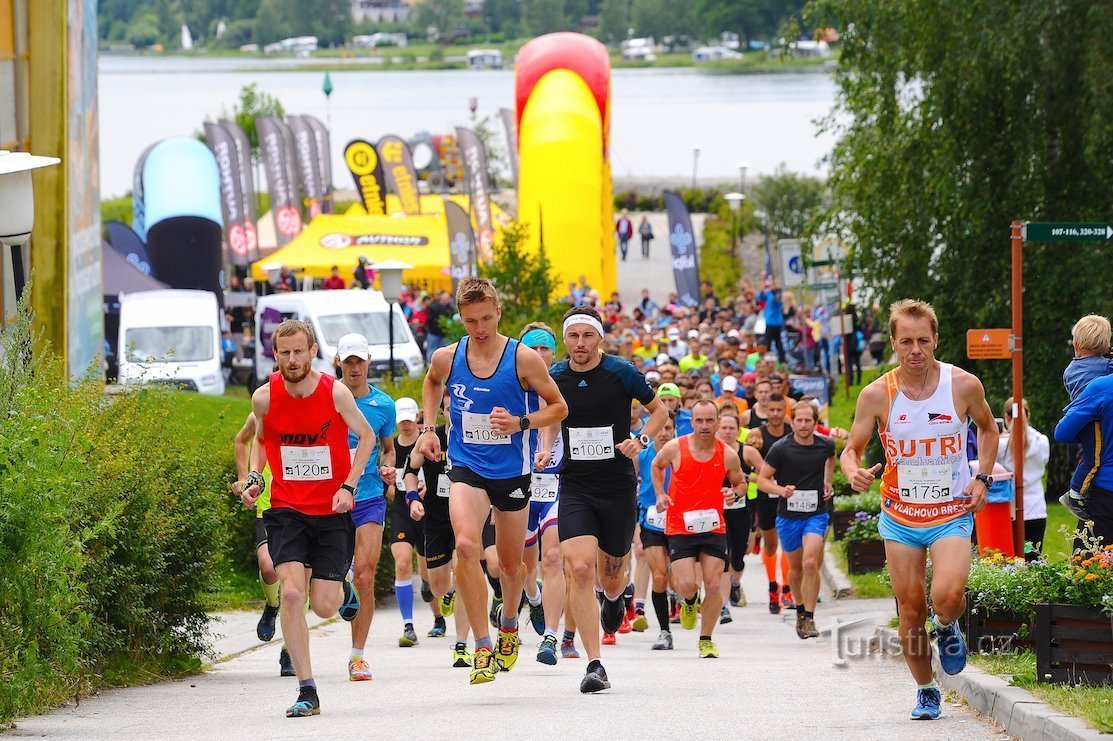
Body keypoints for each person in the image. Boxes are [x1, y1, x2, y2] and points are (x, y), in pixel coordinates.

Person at [841, 299, 998, 721]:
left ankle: (946, 627)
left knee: (946, 596)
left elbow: (988, 427)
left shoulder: (962, 385)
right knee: (909, 610)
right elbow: (850, 451)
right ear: (893, 342)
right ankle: (927, 690)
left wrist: (981, 477)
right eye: (906, 341)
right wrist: (854, 472)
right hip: (901, 518)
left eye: (923, 340)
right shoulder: (877, 394)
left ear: (935, 341)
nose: (915, 349)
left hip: (949, 511)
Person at [418, 277, 568, 685]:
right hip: (466, 465)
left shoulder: (523, 359)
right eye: (470, 321)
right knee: (466, 545)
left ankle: (508, 622)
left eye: (486, 318)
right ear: (461, 320)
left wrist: (521, 423)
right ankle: (481, 644)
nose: (479, 329)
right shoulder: (448, 357)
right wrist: (429, 428)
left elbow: (559, 407)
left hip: (512, 472)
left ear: (499, 313)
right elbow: (432, 383)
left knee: (510, 565)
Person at [239, 319, 377, 718]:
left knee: (323, 606)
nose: (292, 359)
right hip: (286, 510)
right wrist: (253, 478)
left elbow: (366, 438)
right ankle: (307, 689)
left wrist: (349, 487)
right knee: (293, 594)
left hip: (331, 512)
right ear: (276, 354)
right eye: (285, 352)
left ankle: (343, 588)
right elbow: (262, 442)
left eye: (299, 351)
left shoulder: (334, 392)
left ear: (313, 351)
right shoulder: (264, 398)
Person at [551, 305, 668, 692]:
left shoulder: (621, 372)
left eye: (587, 336)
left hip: (617, 484)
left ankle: (615, 598)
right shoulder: (555, 377)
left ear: (599, 338)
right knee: (580, 569)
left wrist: (641, 440)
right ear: (564, 340)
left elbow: (658, 410)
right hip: (575, 486)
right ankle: (595, 664)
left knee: (612, 572)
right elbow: (550, 417)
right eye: (573, 336)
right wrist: (544, 446)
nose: (580, 344)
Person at [651, 400, 748, 658]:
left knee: (714, 585)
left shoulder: (727, 453)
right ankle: (690, 601)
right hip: (680, 526)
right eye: (699, 420)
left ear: (717, 421)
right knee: (686, 584)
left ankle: (706, 639)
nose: (704, 426)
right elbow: (656, 465)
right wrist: (660, 494)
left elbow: (741, 483)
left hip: (713, 527)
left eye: (709, 420)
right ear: (691, 422)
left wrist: (733, 493)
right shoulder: (676, 447)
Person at [334, 333, 398, 681]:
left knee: (366, 573)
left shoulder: (383, 405)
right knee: (330, 576)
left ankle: (357, 656)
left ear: (369, 361)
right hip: (330, 497)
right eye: (348, 361)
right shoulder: (326, 398)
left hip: (370, 494)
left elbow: (389, 448)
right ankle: (339, 578)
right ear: (338, 362)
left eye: (360, 360)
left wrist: (389, 465)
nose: (355, 367)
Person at [405, 392, 473, 668]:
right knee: (438, 585)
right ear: (443, 412)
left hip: (465, 516)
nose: (452, 413)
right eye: (447, 408)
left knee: (465, 572)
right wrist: (411, 498)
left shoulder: (474, 437)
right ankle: (448, 594)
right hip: (435, 518)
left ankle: (461, 644)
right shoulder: (431, 438)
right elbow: (409, 470)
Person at [758, 401, 835, 640]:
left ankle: (810, 617)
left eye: (808, 421)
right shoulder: (781, 448)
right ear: (793, 422)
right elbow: (762, 480)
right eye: (799, 420)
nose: (803, 425)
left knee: (811, 563)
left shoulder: (825, 445)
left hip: (815, 514)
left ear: (815, 422)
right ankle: (800, 610)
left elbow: (831, 458)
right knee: (796, 569)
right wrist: (780, 490)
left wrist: (827, 480)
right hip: (788, 516)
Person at [517, 322, 568, 665]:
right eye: (532, 349)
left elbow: (553, 420)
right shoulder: (509, 386)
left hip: (557, 483)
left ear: (553, 353)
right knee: (517, 564)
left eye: (544, 349)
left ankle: (550, 636)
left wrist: (548, 448)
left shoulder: (562, 385)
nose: (538, 355)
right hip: (517, 483)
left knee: (552, 558)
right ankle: (533, 597)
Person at [231, 411, 294, 677]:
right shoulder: (261, 415)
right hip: (268, 506)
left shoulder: (311, 410)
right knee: (269, 568)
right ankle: (271, 606)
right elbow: (240, 440)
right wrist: (244, 478)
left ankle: (290, 652)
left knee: (296, 579)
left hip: (301, 504)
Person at [386, 397, 440, 647]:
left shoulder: (425, 444)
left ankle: (438, 617)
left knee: (430, 576)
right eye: (402, 421)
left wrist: (426, 487)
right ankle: (408, 625)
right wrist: (388, 481)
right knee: (403, 563)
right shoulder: (390, 448)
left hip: (426, 511)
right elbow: (387, 487)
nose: (406, 425)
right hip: (401, 511)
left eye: (410, 420)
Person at [1059, 314, 1113, 519]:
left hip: (1079, 417)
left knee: (1087, 455)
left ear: (1075, 344)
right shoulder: (1104, 368)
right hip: (1094, 420)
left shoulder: (1070, 369)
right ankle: (1075, 493)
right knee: (1093, 458)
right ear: (1106, 346)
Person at [1054, 371, 1113, 554]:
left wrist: (1093, 433)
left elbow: (1062, 432)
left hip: (1105, 494)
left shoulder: (1102, 387)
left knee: (1089, 569)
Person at [636, 415, 676, 649]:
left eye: (668, 428)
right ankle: (664, 632)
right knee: (659, 576)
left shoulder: (682, 453)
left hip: (681, 520)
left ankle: (687, 600)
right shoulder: (642, 454)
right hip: (651, 520)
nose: (663, 433)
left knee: (683, 583)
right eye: (659, 428)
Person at [717, 411, 763, 613]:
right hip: (718, 512)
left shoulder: (748, 452)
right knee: (722, 556)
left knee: (738, 556)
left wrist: (746, 477)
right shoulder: (712, 450)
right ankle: (723, 603)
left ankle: (735, 585)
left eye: (731, 428)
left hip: (743, 508)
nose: (727, 432)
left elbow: (766, 477)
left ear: (738, 431)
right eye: (724, 428)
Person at [754, 393, 794, 614]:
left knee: (787, 542)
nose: (776, 414)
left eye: (780, 410)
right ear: (766, 410)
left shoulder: (792, 433)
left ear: (785, 410)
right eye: (772, 410)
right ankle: (772, 586)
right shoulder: (757, 434)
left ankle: (787, 588)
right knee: (770, 543)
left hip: (789, 494)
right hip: (766, 495)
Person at [998, 397, 1050, 558]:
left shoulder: (1000, 445)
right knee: (1030, 556)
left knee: (1009, 559)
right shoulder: (1042, 442)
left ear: (1007, 417)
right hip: (1035, 510)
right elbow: (1043, 462)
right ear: (1028, 415)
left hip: (1010, 510)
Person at [756, 278, 786, 362]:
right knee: (769, 341)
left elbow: (775, 301)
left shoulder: (778, 294)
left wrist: (773, 292)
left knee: (776, 342)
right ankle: (767, 358)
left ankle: (781, 359)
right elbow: (760, 298)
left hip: (775, 322)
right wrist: (763, 290)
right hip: (769, 321)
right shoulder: (768, 293)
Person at [424, 291, 454, 365]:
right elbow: (429, 320)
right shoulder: (434, 307)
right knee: (433, 350)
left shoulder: (450, 308)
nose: (447, 300)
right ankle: (431, 366)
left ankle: (441, 366)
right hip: (434, 333)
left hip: (442, 333)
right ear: (441, 298)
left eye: (448, 298)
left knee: (443, 351)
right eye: (445, 298)